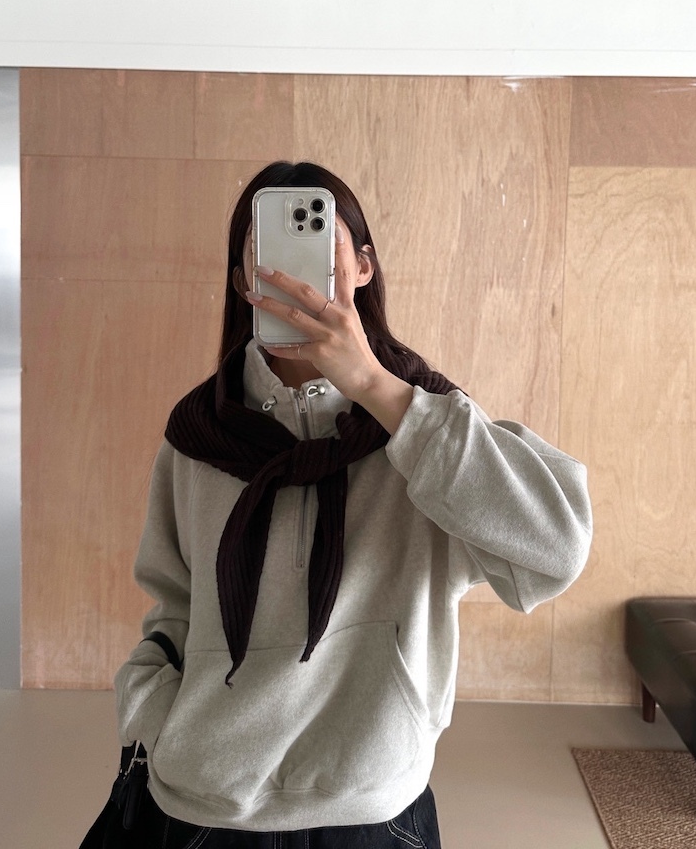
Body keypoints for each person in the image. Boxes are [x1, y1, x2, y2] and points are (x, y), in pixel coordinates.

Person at [112, 160, 592, 849]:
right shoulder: (199, 434)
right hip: (206, 806)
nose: (292, 270)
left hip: (375, 809)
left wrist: (374, 387)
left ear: (363, 266)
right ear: (243, 280)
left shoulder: (426, 428)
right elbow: (174, 605)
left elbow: (556, 550)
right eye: (265, 246)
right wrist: (156, 718)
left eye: (316, 239)